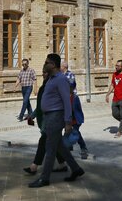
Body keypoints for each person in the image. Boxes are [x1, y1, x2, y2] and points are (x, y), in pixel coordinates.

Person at [29, 54, 84, 188]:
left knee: (50, 147)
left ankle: (44, 178)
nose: (44, 64)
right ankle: (76, 169)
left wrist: (68, 122)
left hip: (56, 116)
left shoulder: (61, 79)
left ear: (53, 65)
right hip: (49, 116)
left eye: (46, 62)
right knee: (59, 146)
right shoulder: (51, 79)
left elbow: (66, 101)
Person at [23, 68, 67, 175]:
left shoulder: (52, 86)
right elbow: (40, 105)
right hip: (45, 119)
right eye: (42, 72)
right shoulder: (44, 86)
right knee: (56, 144)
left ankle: (34, 166)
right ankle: (64, 165)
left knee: (43, 142)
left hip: (50, 120)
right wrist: (32, 115)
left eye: (45, 72)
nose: (43, 74)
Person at [69, 83, 89, 159]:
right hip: (69, 120)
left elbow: (75, 109)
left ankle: (83, 147)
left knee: (75, 133)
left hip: (76, 119)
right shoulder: (65, 97)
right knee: (69, 133)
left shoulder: (75, 97)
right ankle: (69, 148)